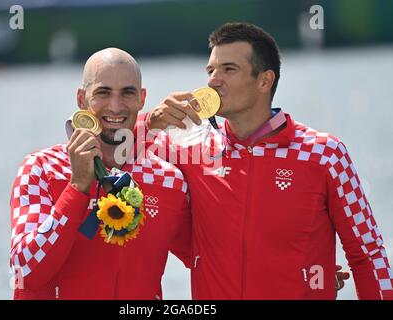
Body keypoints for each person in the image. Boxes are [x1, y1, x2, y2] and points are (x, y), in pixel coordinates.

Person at [146, 22, 393, 299]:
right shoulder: (187, 151)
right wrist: (150, 124)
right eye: (211, 70)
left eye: (229, 69)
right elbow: (113, 157)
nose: (213, 81)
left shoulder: (325, 154)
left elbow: (368, 254)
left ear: (265, 80)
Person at [9, 48, 191, 299]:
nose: (115, 107)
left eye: (127, 92)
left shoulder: (169, 181)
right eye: (103, 93)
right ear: (82, 99)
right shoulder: (41, 168)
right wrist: (77, 188)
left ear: (142, 98)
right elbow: (25, 271)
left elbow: (210, 259)